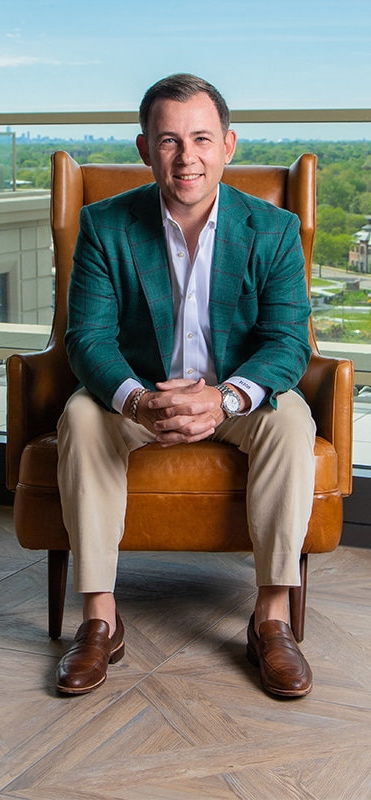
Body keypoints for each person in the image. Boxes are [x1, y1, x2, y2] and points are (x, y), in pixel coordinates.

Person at [56, 73, 316, 699]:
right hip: (141, 395)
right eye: (168, 140)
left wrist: (224, 398)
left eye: (201, 138)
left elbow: (287, 342)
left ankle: (271, 619)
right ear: (145, 149)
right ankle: (99, 618)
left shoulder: (274, 229)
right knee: (81, 416)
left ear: (228, 145)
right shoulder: (104, 225)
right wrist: (140, 400)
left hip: (234, 396)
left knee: (292, 422)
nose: (186, 157)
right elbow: (87, 338)